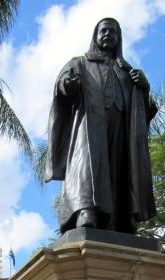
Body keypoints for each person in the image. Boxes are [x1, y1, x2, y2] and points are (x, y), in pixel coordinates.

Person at [45, 17, 157, 234]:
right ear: (95, 36)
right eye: (103, 31)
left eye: (112, 32)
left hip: (121, 128)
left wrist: (144, 87)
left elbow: (144, 114)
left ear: (118, 39)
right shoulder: (80, 63)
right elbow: (63, 87)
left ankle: (118, 219)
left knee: (119, 170)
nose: (108, 35)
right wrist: (67, 85)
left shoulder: (126, 71)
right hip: (89, 127)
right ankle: (87, 212)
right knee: (89, 167)